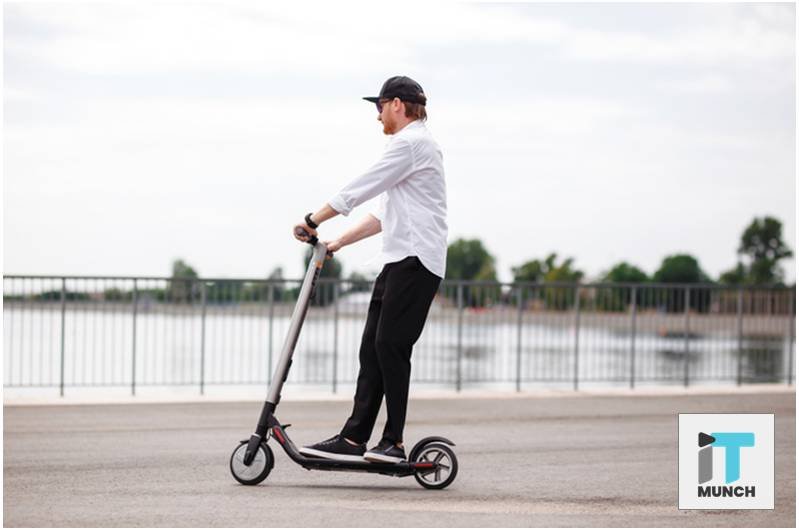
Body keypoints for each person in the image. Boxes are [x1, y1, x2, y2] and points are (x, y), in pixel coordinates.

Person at [291, 76, 447, 464]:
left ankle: (393, 442)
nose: (377, 116)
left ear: (396, 104)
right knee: (372, 348)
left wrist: (314, 219)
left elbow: (362, 186)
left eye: (379, 107)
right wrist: (338, 242)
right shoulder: (409, 148)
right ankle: (354, 437)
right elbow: (382, 215)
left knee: (391, 346)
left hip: (417, 261)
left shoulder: (412, 143)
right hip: (398, 260)